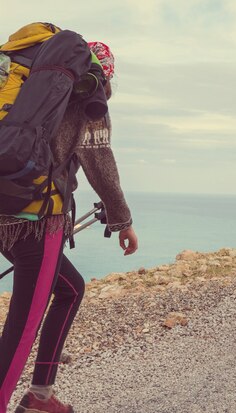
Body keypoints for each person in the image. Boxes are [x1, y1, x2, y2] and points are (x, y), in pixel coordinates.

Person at [0, 41, 138, 413]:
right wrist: (123, 220)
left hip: (6, 215)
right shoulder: (87, 96)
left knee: (71, 289)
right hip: (38, 222)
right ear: (103, 74)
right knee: (22, 327)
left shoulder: (22, 83)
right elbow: (100, 165)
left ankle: (40, 396)